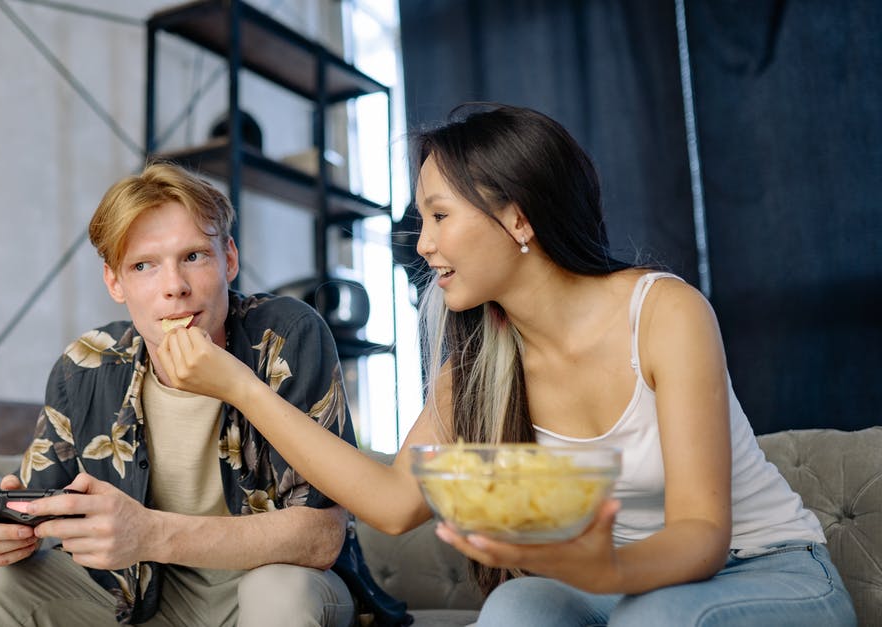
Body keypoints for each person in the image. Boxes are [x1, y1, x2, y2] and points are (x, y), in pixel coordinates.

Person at [156, 104, 858, 626]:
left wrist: (606, 567)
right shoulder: (479, 363)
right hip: (622, 585)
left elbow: (703, 534)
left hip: (765, 571)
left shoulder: (663, 313)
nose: (422, 244)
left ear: (518, 219)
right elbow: (392, 502)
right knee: (515, 609)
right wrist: (241, 388)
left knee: (656, 622)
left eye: (438, 216)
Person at [0, 162, 408, 627]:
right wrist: (9, 532)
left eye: (193, 256)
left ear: (228, 258)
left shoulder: (285, 334)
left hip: (272, 588)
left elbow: (320, 536)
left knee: (280, 592)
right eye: (144, 266)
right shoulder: (86, 363)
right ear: (115, 282)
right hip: (143, 601)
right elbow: (47, 506)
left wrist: (149, 533)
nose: (175, 288)